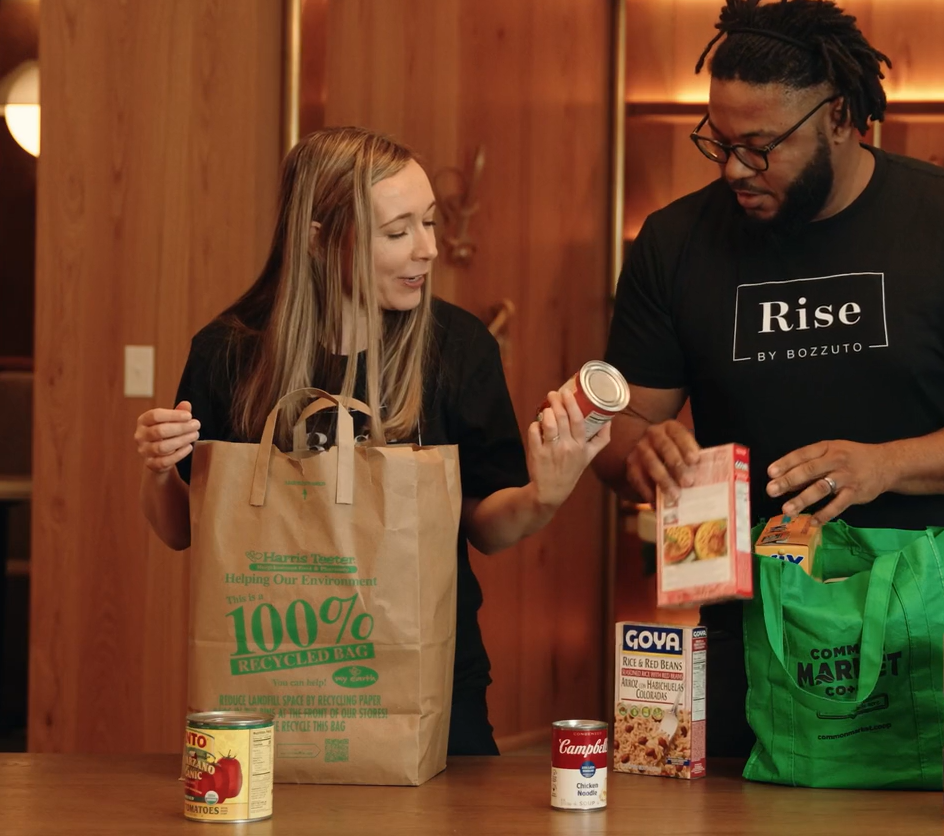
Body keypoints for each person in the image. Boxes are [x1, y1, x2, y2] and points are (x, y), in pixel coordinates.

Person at [595, 0, 944, 759]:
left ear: (840, 116)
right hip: (752, 639)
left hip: (929, 630)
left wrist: (883, 465)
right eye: (720, 141)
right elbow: (618, 431)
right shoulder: (675, 243)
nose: (738, 167)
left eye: (763, 145)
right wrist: (638, 453)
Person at [132, 127, 609, 755]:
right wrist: (162, 469)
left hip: (430, 684)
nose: (429, 249)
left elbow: (486, 528)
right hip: (271, 690)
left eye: (431, 223)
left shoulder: (457, 348)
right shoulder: (229, 352)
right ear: (320, 238)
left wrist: (543, 496)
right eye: (397, 231)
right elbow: (181, 529)